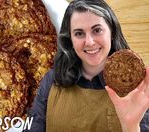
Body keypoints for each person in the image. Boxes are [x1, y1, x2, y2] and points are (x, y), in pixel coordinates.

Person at [26, 0, 149, 131]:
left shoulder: (138, 88)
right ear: (70, 39)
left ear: (112, 32)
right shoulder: (52, 80)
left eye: (97, 30)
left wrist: (130, 126)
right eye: (79, 33)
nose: (89, 42)